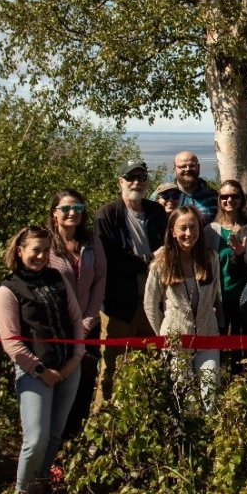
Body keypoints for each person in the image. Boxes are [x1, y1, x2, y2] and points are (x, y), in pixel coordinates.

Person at [0, 226, 85, 494]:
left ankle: (40, 484)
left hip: (68, 366)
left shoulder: (57, 278)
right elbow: (11, 342)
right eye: (35, 250)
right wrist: (40, 370)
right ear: (20, 250)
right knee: (36, 438)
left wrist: (76, 358)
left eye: (46, 250)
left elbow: (75, 318)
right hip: (35, 372)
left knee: (55, 434)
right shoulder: (8, 289)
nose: (41, 256)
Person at [93, 160, 168, 405]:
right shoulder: (107, 215)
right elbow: (108, 261)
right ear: (120, 182)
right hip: (118, 307)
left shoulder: (156, 212)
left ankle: (147, 420)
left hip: (151, 303)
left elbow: (167, 250)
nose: (136, 183)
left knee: (150, 366)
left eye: (142, 178)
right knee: (111, 369)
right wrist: (148, 259)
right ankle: (102, 422)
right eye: (131, 178)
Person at [145, 206, 223, 406]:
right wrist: (164, 335)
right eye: (183, 228)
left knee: (210, 400)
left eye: (193, 227)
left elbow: (214, 294)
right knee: (186, 404)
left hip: (207, 339)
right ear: (173, 232)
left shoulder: (211, 259)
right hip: (176, 345)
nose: (189, 233)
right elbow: (150, 303)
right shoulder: (160, 264)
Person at [47, 189, 106, 441]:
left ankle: (74, 443)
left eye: (78, 208)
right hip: (57, 330)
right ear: (54, 213)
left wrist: (89, 318)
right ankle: (53, 446)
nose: (73, 213)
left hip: (88, 327)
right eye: (66, 208)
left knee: (83, 386)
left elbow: (100, 281)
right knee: (57, 386)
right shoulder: (46, 244)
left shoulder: (92, 242)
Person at [209, 179, 247, 334]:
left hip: (245, 296)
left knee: (243, 343)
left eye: (234, 196)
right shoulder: (211, 231)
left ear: (241, 199)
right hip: (220, 297)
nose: (229, 200)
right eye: (224, 197)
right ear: (219, 200)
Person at [173, 151, 218, 222]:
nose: (188, 169)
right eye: (183, 166)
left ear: (198, 167)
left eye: (192, 165)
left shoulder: (214, 197)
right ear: (174, 170)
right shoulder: (165, 197)